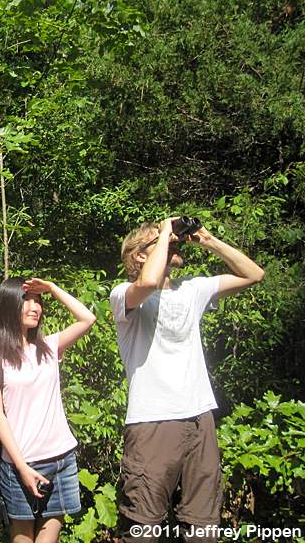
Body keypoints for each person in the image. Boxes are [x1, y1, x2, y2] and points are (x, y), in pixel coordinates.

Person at [110, 218, 264, 542]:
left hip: (199, 419)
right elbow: (148, 282)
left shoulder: (193, 289)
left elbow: (254, 274)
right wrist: (165, 230)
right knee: (142, 527)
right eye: (161, 242)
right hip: (153, 422)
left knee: (202, 525)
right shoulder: (123, 295)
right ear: (140, 256)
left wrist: (208, 240)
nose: (173, 244)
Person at [0, 277, 96, 543]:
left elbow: (87, 319)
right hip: (21, 464)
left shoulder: (49, 347)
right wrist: (21, 467)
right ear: (9, 306)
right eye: (27, 301)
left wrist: (52, 289)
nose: (35, 307)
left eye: (38, 301)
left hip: (62, 459)